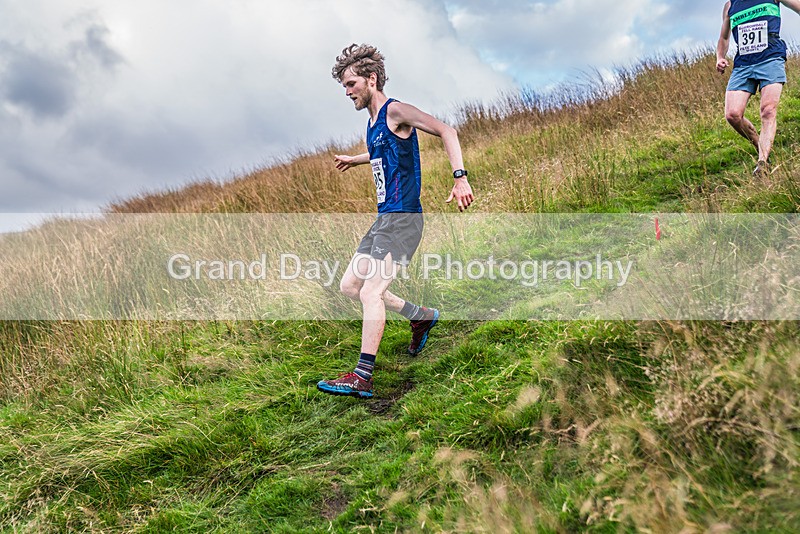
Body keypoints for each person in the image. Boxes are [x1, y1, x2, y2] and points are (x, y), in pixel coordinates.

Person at [317, 43, 474, 399]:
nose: (347, 92)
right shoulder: (372, 124)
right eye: (344, 86)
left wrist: (460, 176)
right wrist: (355, 160)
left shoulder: (396, 110)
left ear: (371, 79)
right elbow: (379, 151)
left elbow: (447, 130)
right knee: (350, 286)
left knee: (372, 291)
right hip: (383, 221)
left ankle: (362, 376)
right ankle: (421, 316)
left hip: (404, 220)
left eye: (351, 83)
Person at [716, 0, 800, 178]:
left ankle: (762, 163)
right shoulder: (731, 5)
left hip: (770, 57)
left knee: (768, 110)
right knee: (732, 114)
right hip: (743, 64)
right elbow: (724, 37)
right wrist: (720, 57)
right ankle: (759, 145)